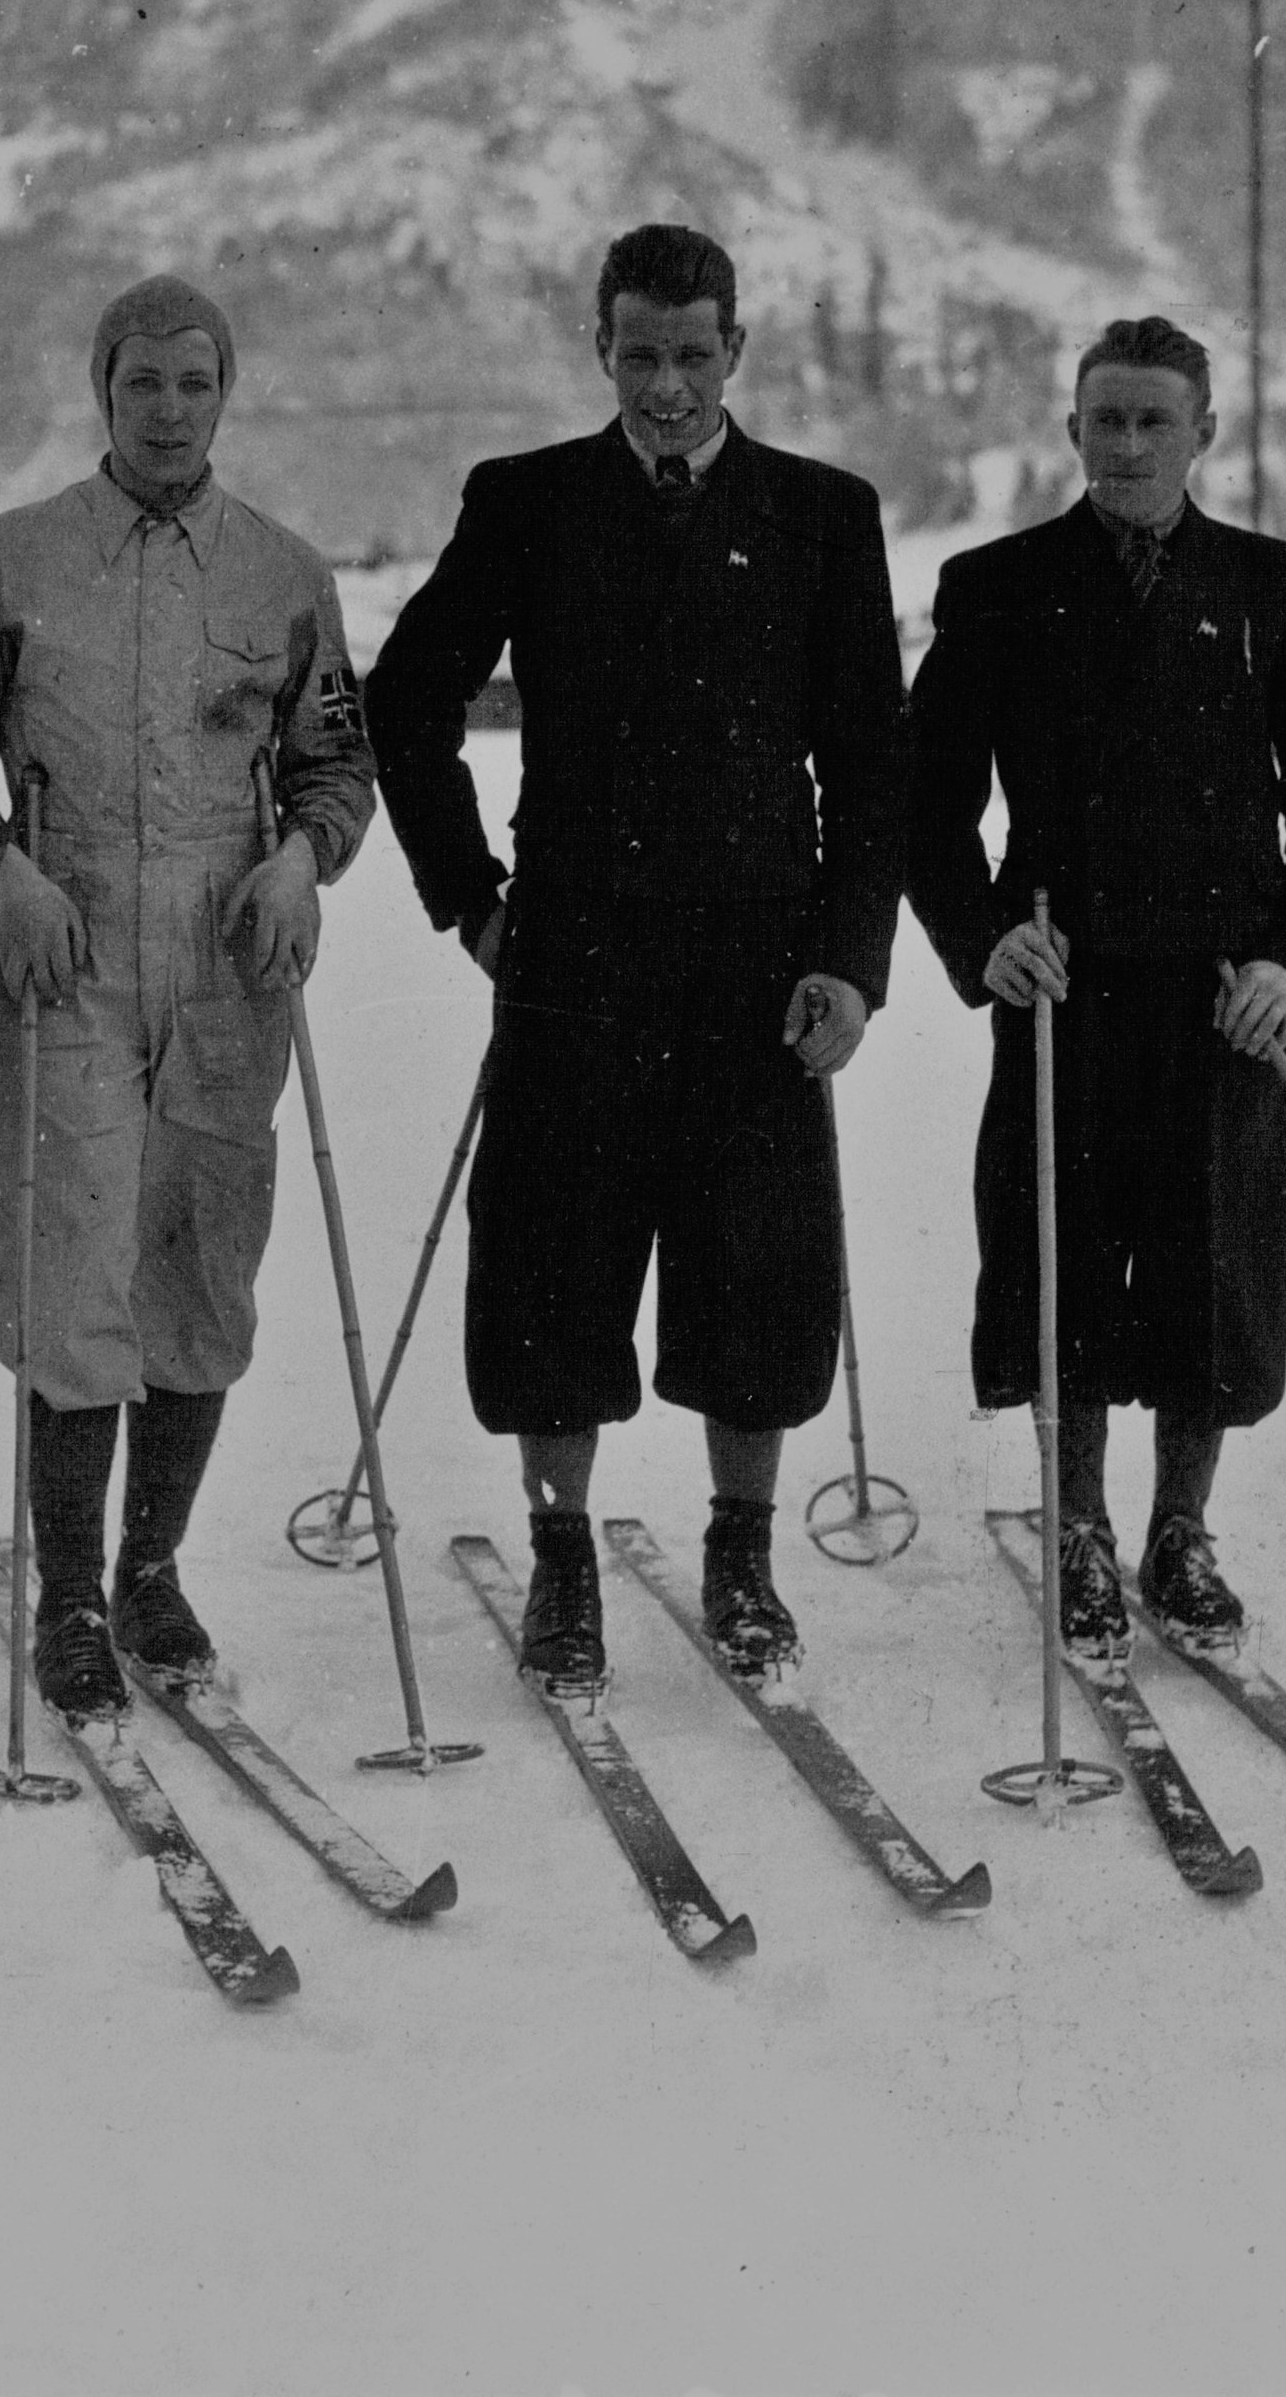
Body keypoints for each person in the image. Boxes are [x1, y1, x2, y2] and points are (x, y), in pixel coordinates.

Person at [365, 224, 905, 1693]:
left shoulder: (821, 515)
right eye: (641, 353)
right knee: (552, 1278)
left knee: (762, 1283)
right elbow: (400, 703)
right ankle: (564, 1562)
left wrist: (850, 963)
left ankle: (742, 1554)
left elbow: (872, 770)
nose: (668, 384)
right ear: (600, 348)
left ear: (738, 350)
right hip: (574, 962)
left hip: (760, 973)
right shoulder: (529, 503)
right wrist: (470, 898)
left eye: (693, 352)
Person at [0, 276, 374, 1720]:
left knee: (199, 1269)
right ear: (101, 389)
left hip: (232, 962)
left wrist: (302, 861)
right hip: (71, 951)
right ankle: (72, 1599)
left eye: (195, 383)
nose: (169, 410)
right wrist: (3, 873)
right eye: (142, 382)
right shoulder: (8, 560)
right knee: (74, 1269)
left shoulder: (286, 578)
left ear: (228, 394)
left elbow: (336, 768)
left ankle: (152, 1575)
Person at [905, 316, 1286, 1655]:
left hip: (1229, 999)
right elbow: (925, 807)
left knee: (1211, 1274)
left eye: (1152, 422)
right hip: (1066, 990)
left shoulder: (1273, 589)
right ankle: (1077, 1528)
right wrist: (981, 935)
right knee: (1063, 1271)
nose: (1125, 446)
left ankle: (1180, 1526)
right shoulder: (997, 585)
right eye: (1104, 420)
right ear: (1071, 429)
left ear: (1204, 434)